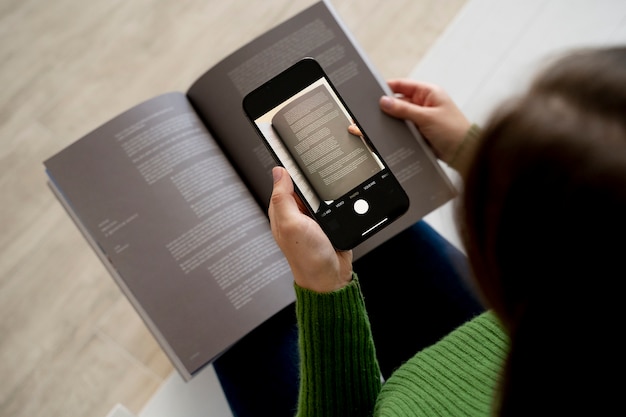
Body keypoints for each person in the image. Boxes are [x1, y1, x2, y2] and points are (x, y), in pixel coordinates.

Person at [215, 45, 626, 416]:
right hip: (481, 347)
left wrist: (324, 289)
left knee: (228, 318)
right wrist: (470, 148)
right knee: (382, 233)